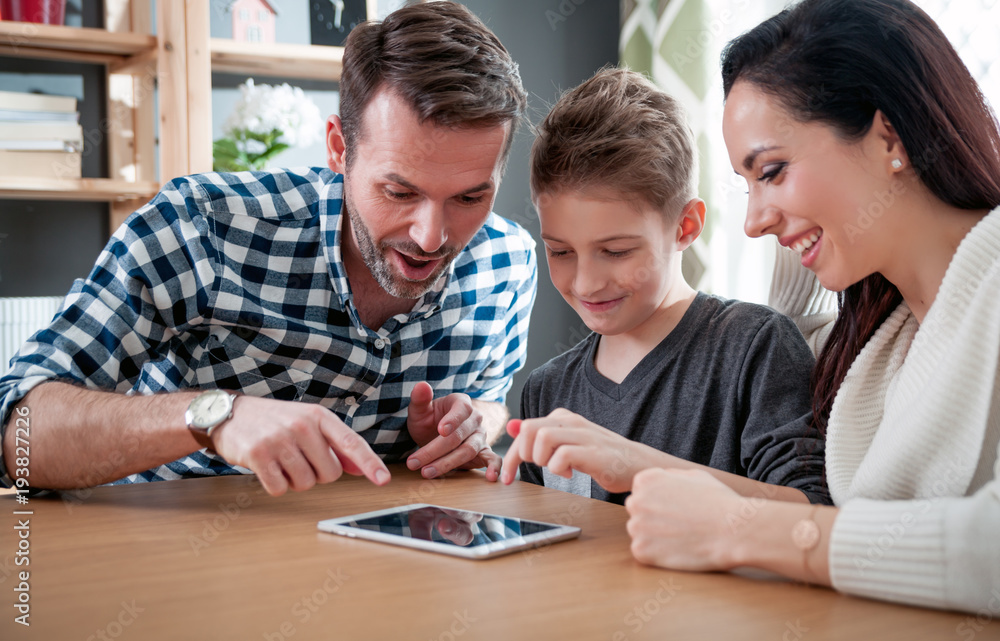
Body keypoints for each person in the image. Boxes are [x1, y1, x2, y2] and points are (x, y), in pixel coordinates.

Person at [0, 2, 536, 497]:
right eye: (399, 192)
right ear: (338, 149)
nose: (430, 237)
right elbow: (17, 435)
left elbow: (492, 400)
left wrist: (470, 425)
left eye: (470, 196)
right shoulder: (199, 226)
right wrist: (214, 417)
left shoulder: (508, 263)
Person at [623, 0, 1000, 614]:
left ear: (888, 137)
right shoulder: (876, 349)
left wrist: (740, 530)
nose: (751, 221)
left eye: (771, 170)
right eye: (746, 186)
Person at [499, 67, 829, 506]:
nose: (586, 283)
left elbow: (812, 513)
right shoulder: (547, 389)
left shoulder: (753, 348)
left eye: (615, 251)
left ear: (685, 226)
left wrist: (639, 465)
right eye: (560, 251)